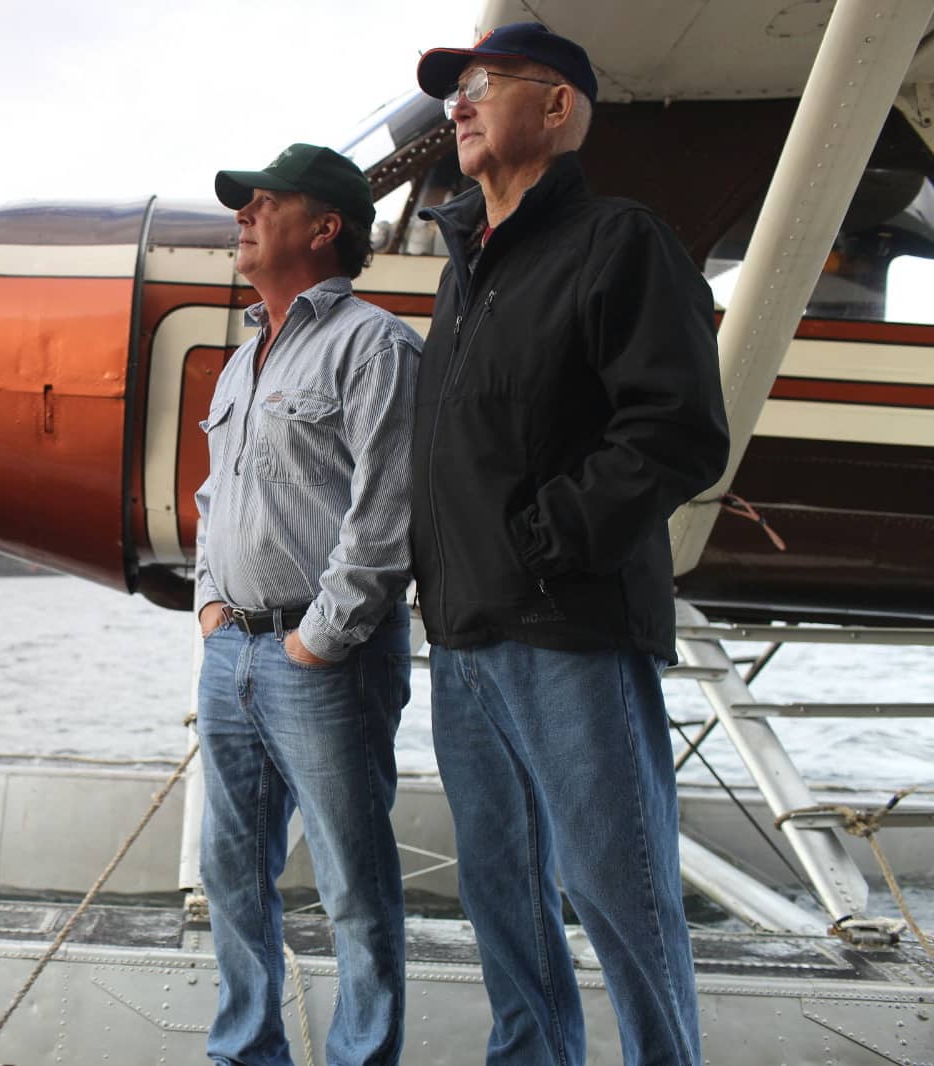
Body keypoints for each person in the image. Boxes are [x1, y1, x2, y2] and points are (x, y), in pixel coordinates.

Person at [410, 22, 730, 1066]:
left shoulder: (619, 241)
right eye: (451, 91)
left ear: (555, 108)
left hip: (567, 627)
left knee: (618, 894)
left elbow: (677, 431)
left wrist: (543, 543)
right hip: (462, 641)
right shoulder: (463, 268)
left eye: (479, 85)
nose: (455, 106)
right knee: (502, 896)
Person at [194, 142, 422, 1066]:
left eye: (264, 202)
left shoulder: (375, 344)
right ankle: (248, 1052)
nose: (243, 214)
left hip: (320, 659)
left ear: (324, 227)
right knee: (230, 874)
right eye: (242, 204)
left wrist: (319, 641)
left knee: (353, 887)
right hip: (231, 655)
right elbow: (215, 500)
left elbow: (388, 509)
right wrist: (212, 608)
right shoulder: (242, 364)